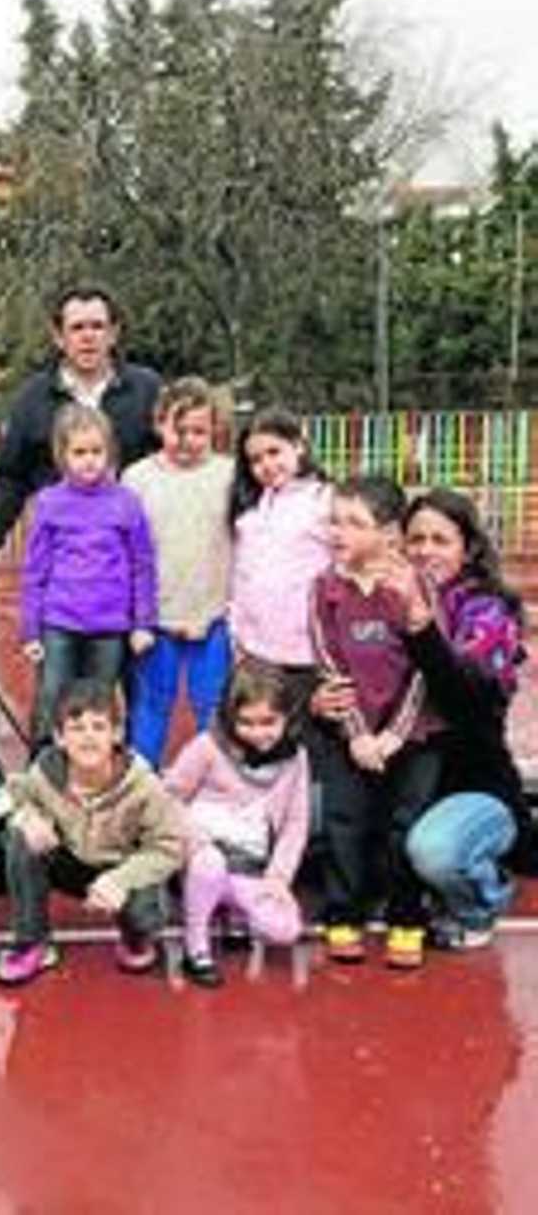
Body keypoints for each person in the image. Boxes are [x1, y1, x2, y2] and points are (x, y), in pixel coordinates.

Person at [310, 476, 444, 970]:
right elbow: (328, 662)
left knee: (404, 824)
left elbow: (425, 669)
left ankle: (406, 916)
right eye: (334, 520)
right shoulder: (325, 586)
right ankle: (342, 912)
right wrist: (358, 734)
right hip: (355, 734)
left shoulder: (415, 585)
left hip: (413, 733)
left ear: (388, 534)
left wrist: (393, 735)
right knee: (345, 820)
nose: (338, 531)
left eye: (353, 522)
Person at [390, 490, 534, 948]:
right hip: (404, 780)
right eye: (415, 539)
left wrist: (420, 627)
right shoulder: (384, 596)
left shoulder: (488, 611)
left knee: (434, 853)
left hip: (473, 784)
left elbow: (464, 700)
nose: (425, 550)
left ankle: (481, 902)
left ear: (468, 548)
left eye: (440, 539)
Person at [0, 678, 186, 987]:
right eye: (76, 728)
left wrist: (120, 879)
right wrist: (28, 817)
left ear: (117, 733)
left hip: (122, 869)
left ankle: (137, 937)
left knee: (145, 916)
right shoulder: (46, 770)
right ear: (59, 736)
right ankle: (33, 943)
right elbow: (19, 796)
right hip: (71, 862)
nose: (88, 738)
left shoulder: (143, 784)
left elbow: (169, 846)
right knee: (19, 839)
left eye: (99, 727)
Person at [19, 404, 157, 748]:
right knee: (52, 696)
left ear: (109, 451)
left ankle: (95, 768)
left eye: (97, 451)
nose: (89, 460)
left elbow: (143, 564)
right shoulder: (49, 503)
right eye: (79, 452)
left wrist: (143, 622)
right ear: (62, 454)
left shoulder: (126, 502)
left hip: (109, 626)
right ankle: (45, 768)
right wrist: (30, 629)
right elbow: (35, 570)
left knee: (98, 704)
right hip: (59, 622)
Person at [164, 664, 310, 988]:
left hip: (249, 864)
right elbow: (168, 798)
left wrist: (278, 878)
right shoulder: (207, 747)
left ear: (288, 717)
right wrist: (194, 839)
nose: (258, 733)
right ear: (231, 718)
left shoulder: (295, 758)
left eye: (269, 722)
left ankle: (227, 906)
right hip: (200, 856)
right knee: (209, 866)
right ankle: (196, 945)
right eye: (246, 723)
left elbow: (295, 823)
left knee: (285, 930)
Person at [0, 285, 161, 550]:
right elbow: (11, 481)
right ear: (59, 337)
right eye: (77, 328)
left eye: (97, 326)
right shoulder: (32, 398)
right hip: (65, 552)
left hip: (132, 545)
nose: (88, 336)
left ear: (113, 333)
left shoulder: (147, 390)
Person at [122, 377, 235, 765]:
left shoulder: (229, 475)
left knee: (214, 708)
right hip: (157, 621)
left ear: (214, 430)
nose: (187, 439)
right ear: (158, 424)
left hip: (213, 616)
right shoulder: (137, 478)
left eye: (198, 431)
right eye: (178, 429)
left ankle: (218, 791)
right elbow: (127, 552)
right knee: (152, 708)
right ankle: (142, 788)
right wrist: (137, 617)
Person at [228, 406, 332, 719]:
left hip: (308, 653)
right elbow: (241, 578)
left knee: (312, 741)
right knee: (267, 739)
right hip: (258, 653)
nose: (266, 465)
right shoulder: (252, 512)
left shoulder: (324, 500)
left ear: (299, 445)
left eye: (275, 452)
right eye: (256, 460)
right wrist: (237, 634)